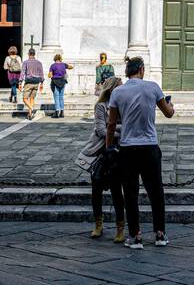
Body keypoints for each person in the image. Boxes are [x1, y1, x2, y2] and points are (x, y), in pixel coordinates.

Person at [106, 57, 174, 249]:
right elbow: (168, 113)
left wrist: (109, 147)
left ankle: (135, 236)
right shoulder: (153, 87)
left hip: (128, 148)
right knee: (156, 192)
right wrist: (171, 106)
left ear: (128, 71)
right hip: (150, 147)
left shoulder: (118, 92)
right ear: (142, 69)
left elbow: (111, 124)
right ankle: (160, 234)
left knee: (130, 193)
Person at [79, 75, 125, 242]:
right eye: (120, 87)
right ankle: (98, 224)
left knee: (116, 191)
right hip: (101, 152)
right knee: (96, 190)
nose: (123, 89)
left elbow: (124, 127)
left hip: (117, 153)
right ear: (112, 89)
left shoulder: (123, 105)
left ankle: (120, 227)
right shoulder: (101, 106)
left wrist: (112, 127)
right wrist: (116, 130)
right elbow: (100, 129)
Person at [21, 46, 45, 120]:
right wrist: (42, 83)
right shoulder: (39, 63)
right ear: (34, 54)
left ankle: (31, 108)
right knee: (32, 98)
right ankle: (30, 114)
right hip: (36, 82)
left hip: (28, 82)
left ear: (28, 54)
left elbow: (22, 73)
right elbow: (41, 74)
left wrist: (20, 82)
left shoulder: (25, 62)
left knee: (24, 99)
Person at [48, 53, 73, 118]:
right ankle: (62, 112)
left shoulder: (53, 66)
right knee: (61, 97)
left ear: (55, 59)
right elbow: (71, 67)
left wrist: (51, 75)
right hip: (62, 81)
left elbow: (50, 75)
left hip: (55, 82)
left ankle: (57, 112)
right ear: (60, 59)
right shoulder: (63, 65)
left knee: (56, 96)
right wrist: (65, 67)